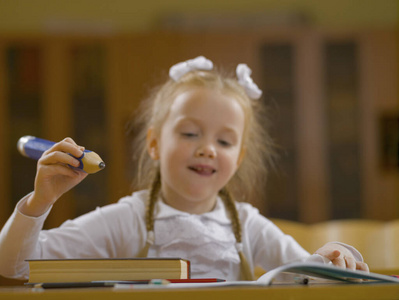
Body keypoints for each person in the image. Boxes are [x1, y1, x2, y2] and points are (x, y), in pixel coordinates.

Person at [0, 56, 368, 281]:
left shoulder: (248, 224)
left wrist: (331, 255)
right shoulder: (126, 219)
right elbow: (14, 267)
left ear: (237, 160)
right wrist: (39, 201)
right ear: (155, 143)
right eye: (190, 133)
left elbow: (308, 272)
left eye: (224, 142)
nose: (207, 148)